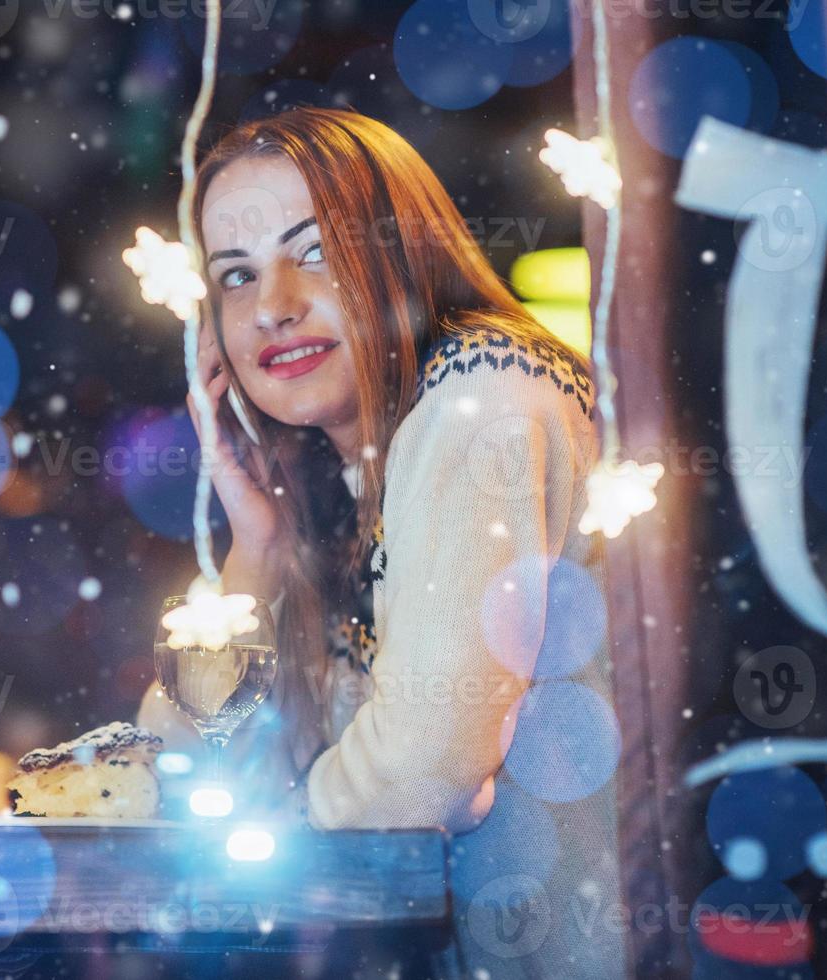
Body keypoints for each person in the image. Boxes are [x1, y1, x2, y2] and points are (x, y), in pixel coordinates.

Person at [139, 107, 624, 978]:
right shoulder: (341, 476)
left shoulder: (483, 396)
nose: (274, 309)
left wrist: (238, 866)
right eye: (237, 276)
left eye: (315, 251)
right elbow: (172, 772)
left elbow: (422, 767)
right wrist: (258, 551)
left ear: (400, 251)